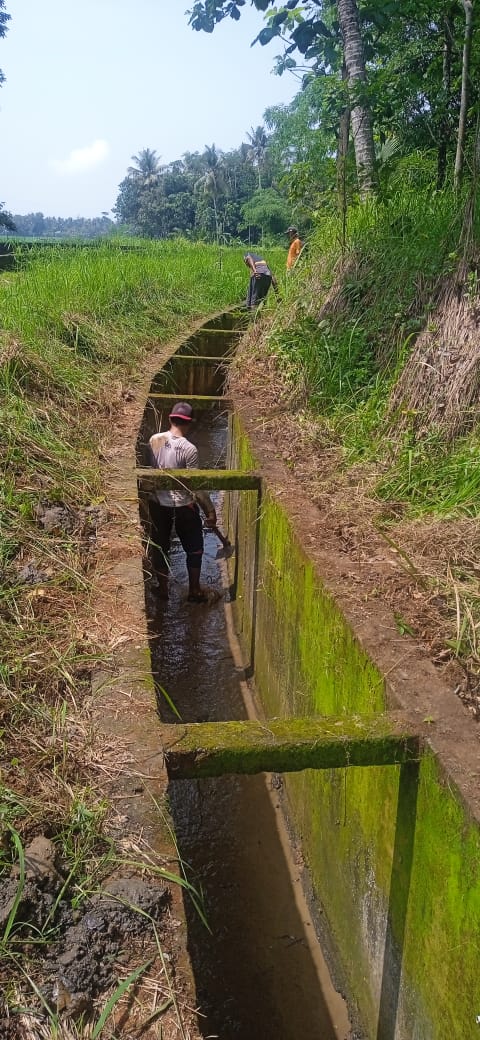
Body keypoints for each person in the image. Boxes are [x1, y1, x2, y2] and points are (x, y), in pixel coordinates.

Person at [147, 402, 217, 603]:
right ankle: (194, 590)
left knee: (160, 545)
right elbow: (195, 484)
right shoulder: (189, 449)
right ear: (189, 424)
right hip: (183, 506)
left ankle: (163, 589)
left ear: (170, 419)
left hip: (158, 503)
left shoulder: (154, 440)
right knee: (194, 547)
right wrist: (210, 511)